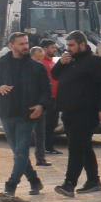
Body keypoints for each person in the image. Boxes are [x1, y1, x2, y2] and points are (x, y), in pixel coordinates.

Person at [0, 31, 49, 196]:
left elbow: (45, 91)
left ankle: (11, 186)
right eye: (21, 44)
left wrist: (41, 105)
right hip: (6, 113)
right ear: (11, 46)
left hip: (27, 114)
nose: (25, 46)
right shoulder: (1, 64)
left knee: (21, 152)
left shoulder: (37, 67)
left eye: (26, 43)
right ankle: (34, 181)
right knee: (18, 152)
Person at [49, 31, 101, 197]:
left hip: (86, 112)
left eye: (71, 45)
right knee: (84, 146)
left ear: (82, 44)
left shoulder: (95, 62)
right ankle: (93, 181)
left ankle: (69, 184)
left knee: (76, 147)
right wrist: (60, 63)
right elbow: (55, 75)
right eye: (67, 45)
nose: (68, 48)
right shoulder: (70, 60)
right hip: (69, 111)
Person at [35, 38, 60, 166]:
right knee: (46, 124)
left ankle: (49, 147)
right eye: (52, 47)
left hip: (55, 97)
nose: (55, 50)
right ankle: (45, 148)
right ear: (45, 49)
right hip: (47, 98)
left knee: (53, 123)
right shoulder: (41, 64)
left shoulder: (52, 62)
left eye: (55, 47)